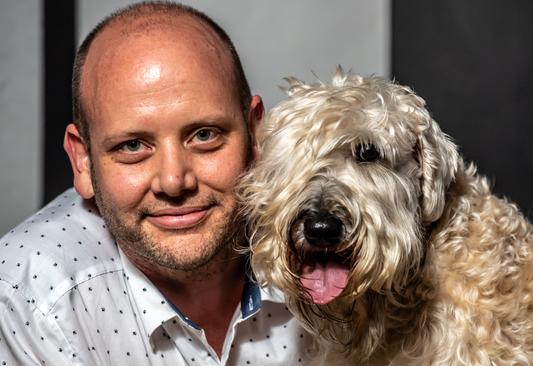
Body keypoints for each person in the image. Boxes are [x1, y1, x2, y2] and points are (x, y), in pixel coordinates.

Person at [0, 3, 312, 365]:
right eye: (132, 146)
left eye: (204, 135)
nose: (174, 181)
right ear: (82, 162)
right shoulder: (26, 297)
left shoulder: (337, 243)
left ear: (255, 133)